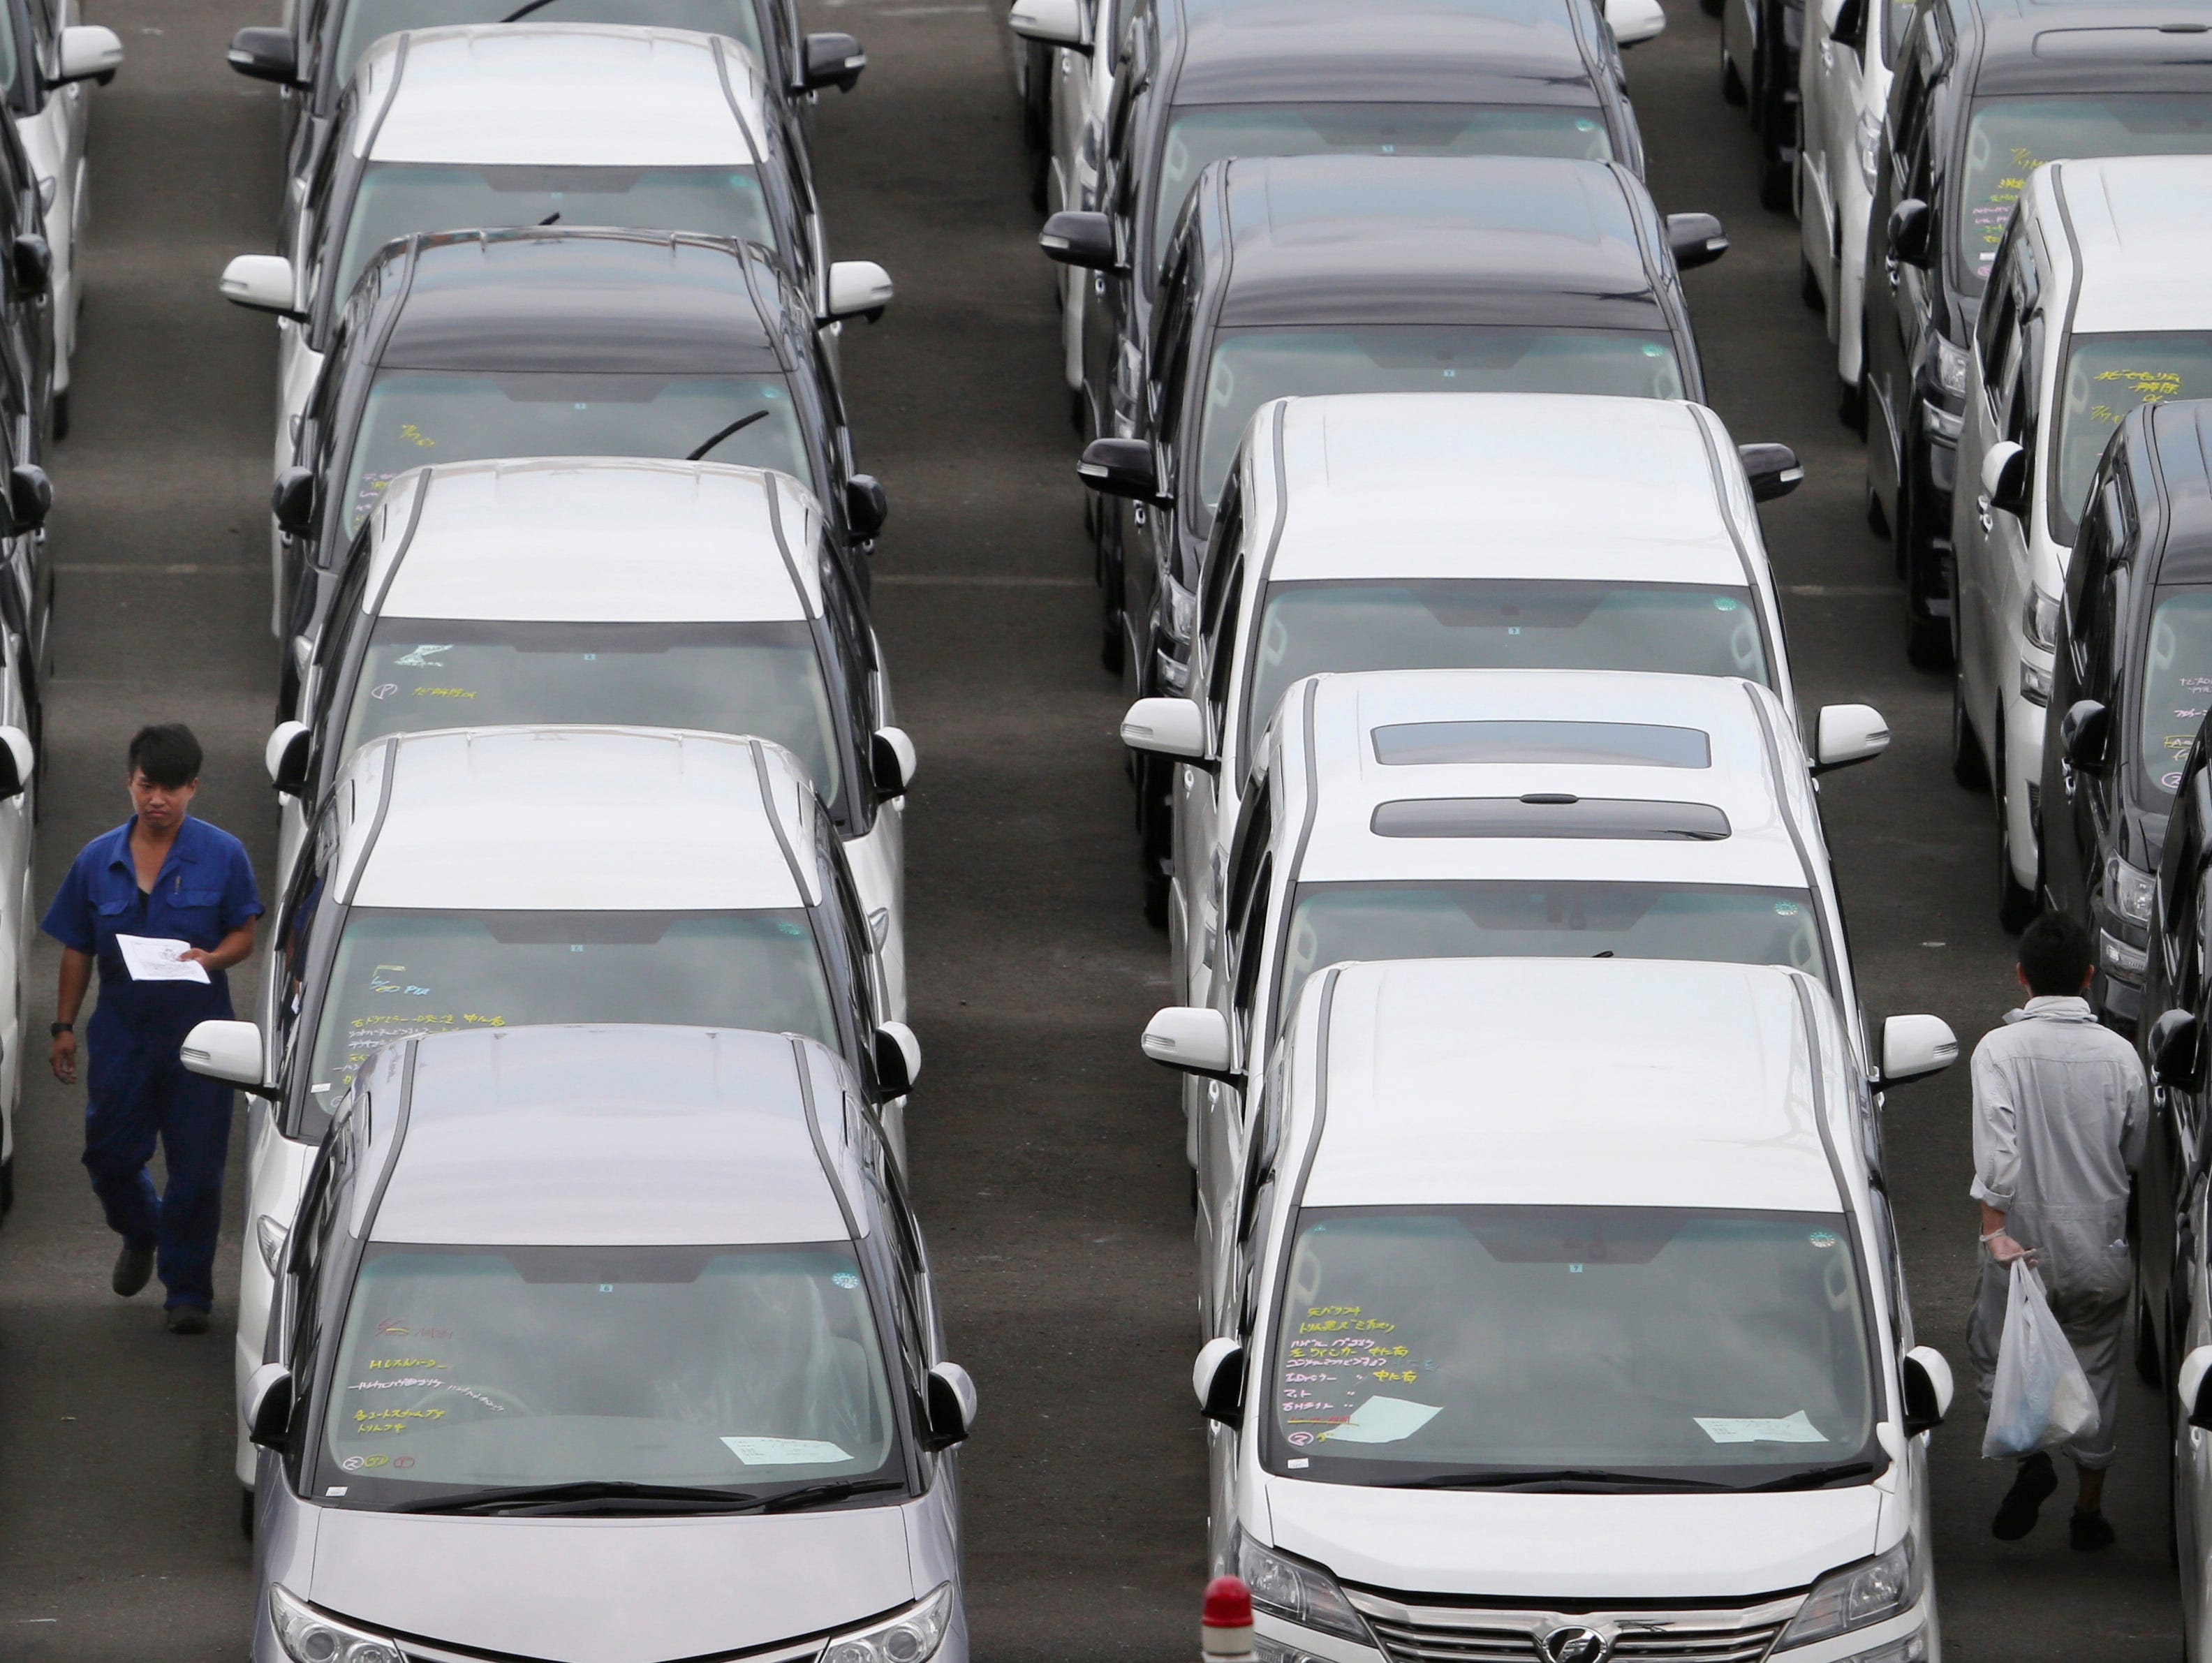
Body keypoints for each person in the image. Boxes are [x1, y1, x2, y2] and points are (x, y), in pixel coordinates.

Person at [43, 725, 263, 1334]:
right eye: (146, 786)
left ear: (193, 788)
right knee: (109, 1155)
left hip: (200, 1037)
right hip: (121, 1034)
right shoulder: (97, 859)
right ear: (130, 782)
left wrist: (214, 959)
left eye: (170, 788)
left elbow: (244, 931)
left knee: (197, 1170)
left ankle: (188, 1292)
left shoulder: (224, 854)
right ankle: (141, 1230)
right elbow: (76, 948)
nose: (156, 800)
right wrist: (63, 1025)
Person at [1967, 911, 2146, 1550]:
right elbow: (2134, 1149)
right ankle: (2089, 1513)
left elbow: (1999, 1151)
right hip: (2100, 1241)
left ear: (2021, 978)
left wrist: (1995, 1231)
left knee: (2000, 1353)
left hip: (2023, 1244)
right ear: (2090, 978)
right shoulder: (2121, 1055)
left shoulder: (1998, 1050)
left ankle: (2031, 1459)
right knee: (2096, 1366)